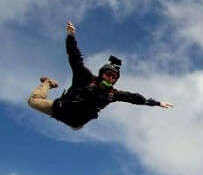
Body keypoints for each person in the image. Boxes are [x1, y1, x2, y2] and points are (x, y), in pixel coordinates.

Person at [27, 20, 174, 129]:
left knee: (76, 126)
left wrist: (157, 103)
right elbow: (74, 58)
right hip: (59, 109)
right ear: (102, 74)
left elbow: (134, 98)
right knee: (33, 101)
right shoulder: (85, 78)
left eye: (114, 78)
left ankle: (74, 118)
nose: (110, 79)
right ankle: (48, 82)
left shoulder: (112, 94)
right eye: (108, 75)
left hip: (76, 122)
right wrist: (71, 37)